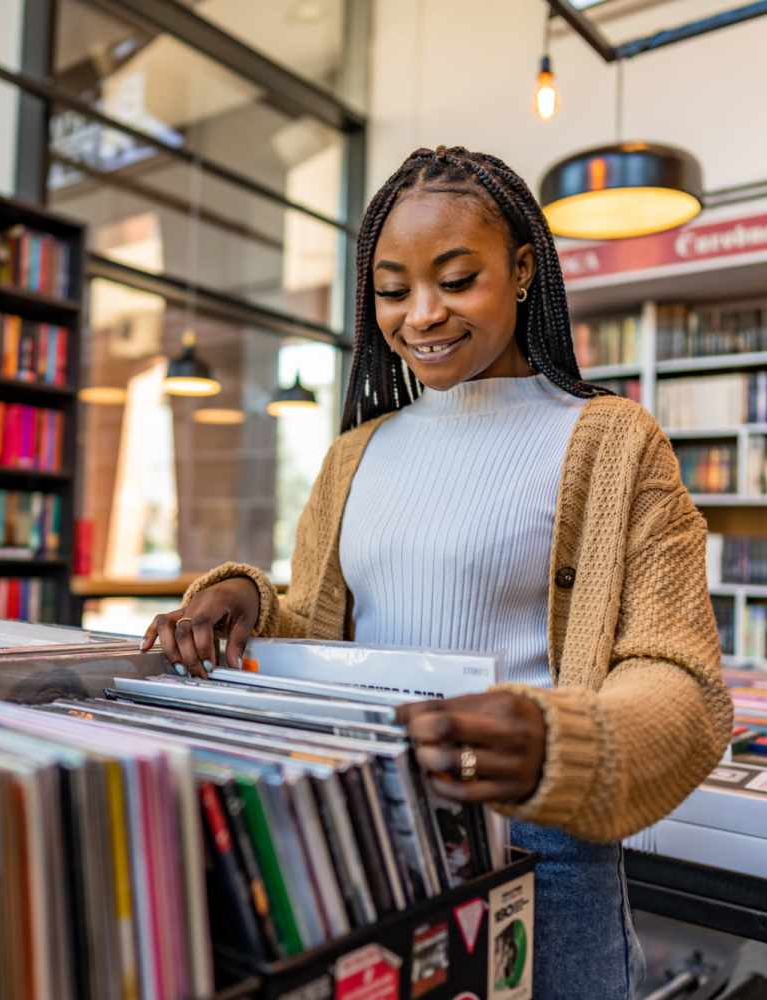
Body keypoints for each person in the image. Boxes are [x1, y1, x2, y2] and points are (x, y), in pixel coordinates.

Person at [141, 145, 733, 1000]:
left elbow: (679, 677)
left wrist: (562, 742)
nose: (421, 315)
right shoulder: (354, 454)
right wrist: (246, 600)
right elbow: (322, 628)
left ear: (523, 268)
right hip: (373, 837)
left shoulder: (613, 442)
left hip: (547, 849)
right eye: (393, 289)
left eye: (457, 280)